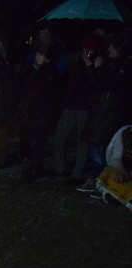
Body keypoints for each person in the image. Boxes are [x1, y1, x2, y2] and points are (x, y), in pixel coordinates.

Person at [77, 33, 132, 192]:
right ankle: (98, 180)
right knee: (97, 147)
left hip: (112, 112)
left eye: (113, 46)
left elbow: (108, 85)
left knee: (101, 149)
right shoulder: (113, 64)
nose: (110, 49)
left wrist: (98, 69)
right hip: (102, 110)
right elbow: (96, 85)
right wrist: (89, 66)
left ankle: (99, 181)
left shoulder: (126, 66)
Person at [52, 35, 102, 184]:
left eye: (89, 49)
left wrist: (90, 67)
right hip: (70, 106)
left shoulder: (98, 64)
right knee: (59, 140)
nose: (85, 51)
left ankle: (77, 174)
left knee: (83, 143)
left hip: (86, 109)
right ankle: (60, 168)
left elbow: (96, 86)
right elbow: (68, 83)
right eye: (84, 48)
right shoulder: (76, 61)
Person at [20, 42, 60, 182]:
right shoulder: (35, 70)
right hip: (33, 111)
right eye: (37, 54)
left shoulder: (48, 73)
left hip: (41, 112)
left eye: (40, 55)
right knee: (33, 139)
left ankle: (32, 169)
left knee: (37, 141)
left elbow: (45, 95)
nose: (37, 57)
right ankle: (37, 167)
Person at [95, 125, 132, 212]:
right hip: (125, 170)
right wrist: (120, 168)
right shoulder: (125, 133)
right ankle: (115, 195)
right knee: (109, 173)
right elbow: (116, 157)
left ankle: (120, 197)